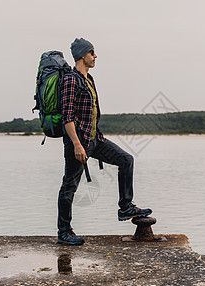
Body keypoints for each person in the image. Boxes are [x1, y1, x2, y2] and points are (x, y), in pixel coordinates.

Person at [57, 37, 152, 245]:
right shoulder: (71, 80)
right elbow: (67, 117)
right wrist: (77, 145)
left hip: (95, 140)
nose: (95, 56)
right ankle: (64, 232)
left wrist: (92, 138)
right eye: (92, 53)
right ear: (83, 55)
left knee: (126, 160)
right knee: (69, 186)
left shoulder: (89, 79)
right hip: (78, 142)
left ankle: (125, 207)